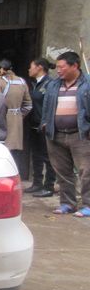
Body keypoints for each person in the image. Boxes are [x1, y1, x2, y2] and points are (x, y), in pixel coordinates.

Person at [40, 50, 90, 217]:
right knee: (63, 172)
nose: (58, 70)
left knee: (86, 171)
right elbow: (46, 106)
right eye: (57, 67)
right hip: (56, 134)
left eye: (62, 67)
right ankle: (67, 203)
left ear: (74, 66)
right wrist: (45, 123)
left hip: (81, 135)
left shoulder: (87, 84)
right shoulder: (53, 85)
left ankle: (88, 204)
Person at [0, 59, 32, 176]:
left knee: (1, 151)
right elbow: (28, 105)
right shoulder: (21, 81)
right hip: (17, 120)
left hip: (1, 119)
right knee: (14, 153)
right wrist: (18, 115)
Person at [26, 58, 56, 197]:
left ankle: (49, 186)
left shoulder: (50, 84)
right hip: (33, 125)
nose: (29, 69)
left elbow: (51, 105)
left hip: (44, 126)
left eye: (31, 67)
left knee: (48, 157)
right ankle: (37, 183)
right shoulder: (34, 84)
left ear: (39, 67)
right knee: (36, 155)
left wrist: (46, 122)